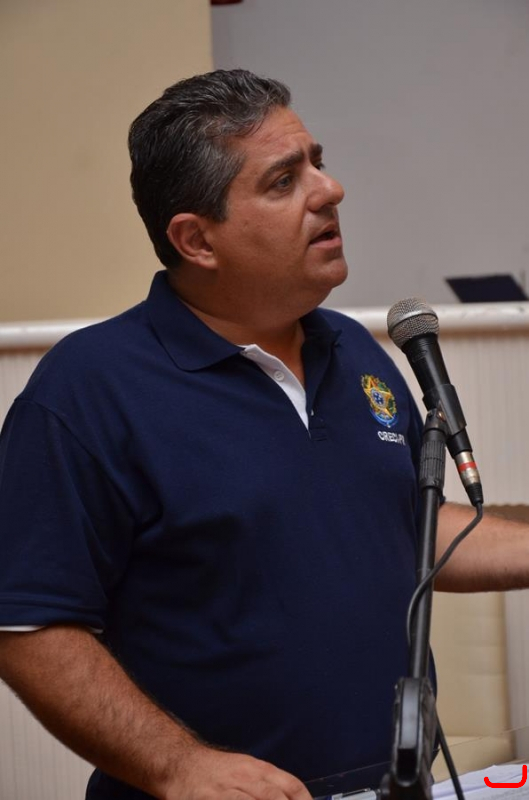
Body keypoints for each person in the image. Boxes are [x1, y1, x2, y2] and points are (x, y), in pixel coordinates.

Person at [0, 69, 528, 800]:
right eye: (284, 180)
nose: (329, 189)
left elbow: (407, 526)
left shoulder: (354, 350)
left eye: (317, 162)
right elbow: (29, 625)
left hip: (391, 784)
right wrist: (177, 766)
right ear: (197, 240)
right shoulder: (88, 389)